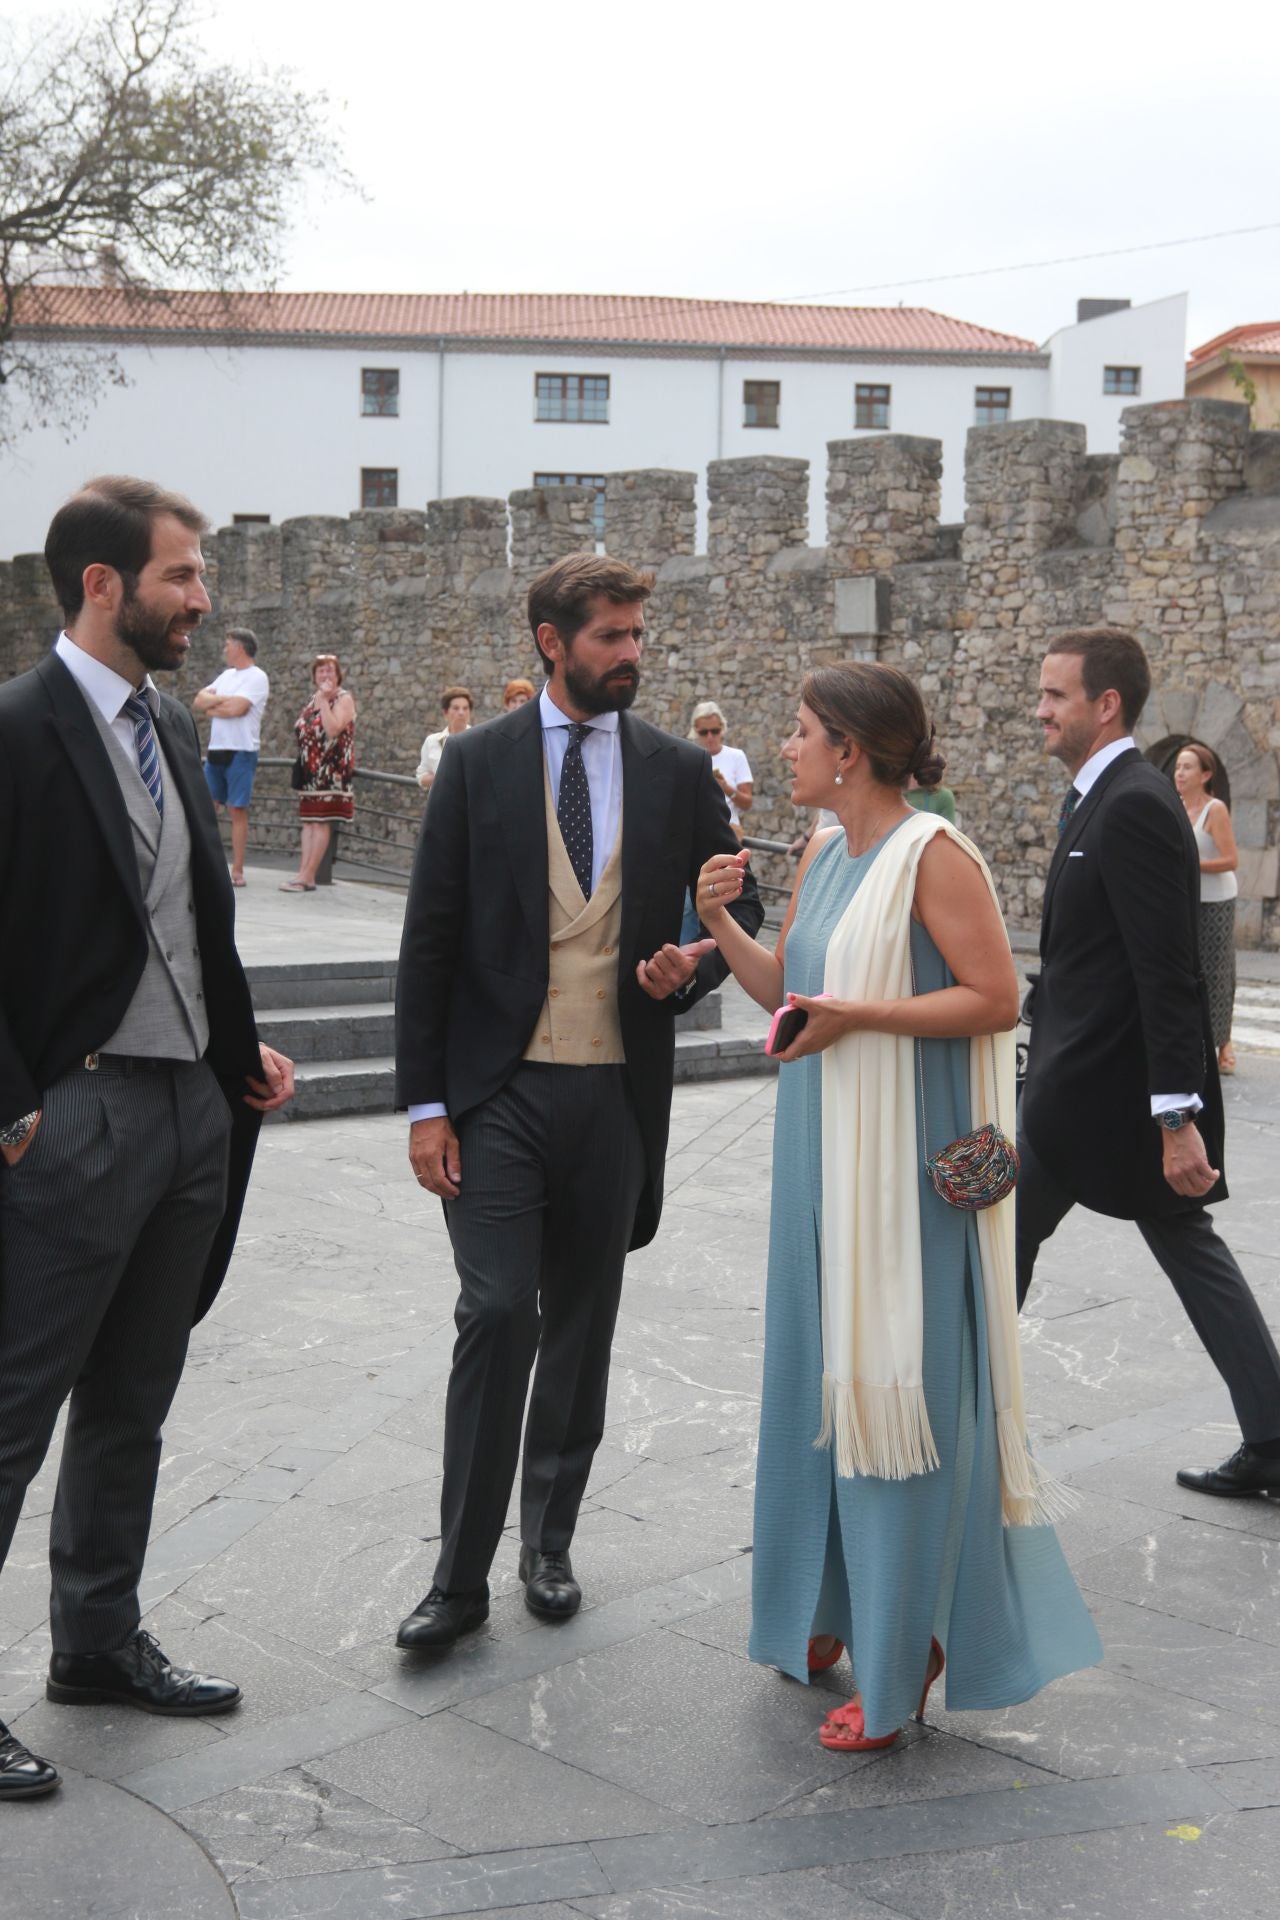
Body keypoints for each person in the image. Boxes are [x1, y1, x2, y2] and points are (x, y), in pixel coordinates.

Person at [695, 660, 1099, 1751]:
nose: (785, 747)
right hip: (816, 1156)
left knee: (895, 1401)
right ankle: (831, 1604)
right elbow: (791, 995)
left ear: (850, 750)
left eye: (800, 731)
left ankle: (904, 1649)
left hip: (900, 1177)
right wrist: (720, 924)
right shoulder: (824, 850)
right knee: (814, 1384)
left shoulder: (935, 853)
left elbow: (995, 997)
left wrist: (860, 1016)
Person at [393, 552, 763, 1651]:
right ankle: (457, 1578)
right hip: (496, 1091)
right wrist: (425, 1107)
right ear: (552, 643)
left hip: (613, 1091)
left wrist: (692, 959)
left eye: (638, 634)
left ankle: (547, 1545)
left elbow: (733, 908)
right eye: (611, 635)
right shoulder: (476, 763)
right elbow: (428, 941)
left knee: (583, 1323)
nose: (632, 654)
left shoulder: (675, 770)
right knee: (498, 1311)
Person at [0, 476, 295, 1802]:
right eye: (180, 574)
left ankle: (96, 1644)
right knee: (12, 1415)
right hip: (74, 1115)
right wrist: (20, 1110)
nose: (200, 597)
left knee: (134, 1400)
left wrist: (235, 1058)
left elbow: (194, 918)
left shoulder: (172, 723)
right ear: (102, 585)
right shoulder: (15, 728)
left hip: (188, 1116)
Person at [1020, 627, 1280, 1497]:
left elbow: (1168, 973)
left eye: (1054, 695)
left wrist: (1177, 1118)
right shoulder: (1103, 795)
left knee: (993, 1236)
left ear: (1106, 705)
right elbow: (1093, 956)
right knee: (1177, 1245)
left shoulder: (1131, 802)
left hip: (1099, 1102)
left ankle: (957, 1424)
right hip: (1082, 1088)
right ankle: (1274, 1435)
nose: (1039, 710)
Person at [1173, 742, 1239, 1075]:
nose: (1180, 773)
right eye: (1177, 767)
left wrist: (1192, 865)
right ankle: (1199, 1040)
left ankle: (1221, 1044)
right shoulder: (1176, 807)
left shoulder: (1215, 810)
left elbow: (1231, 860)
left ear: (1205, 774)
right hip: (1186, 901)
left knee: (1217, 973)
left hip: (1216, 902)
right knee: (1187, 971)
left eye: (1187, 767)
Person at [192, 628, 269, 887]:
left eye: (228, 644)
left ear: (240, 647)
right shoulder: (226, 676)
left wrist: (215, 705)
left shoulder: (257, 677)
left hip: (242, 750)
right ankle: (206, 862)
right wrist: (222, 704)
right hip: (217, 749)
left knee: (237, 809)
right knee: (207, 807)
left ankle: (237, 869)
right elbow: (199, 701)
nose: (224, 649)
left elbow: (238, 708)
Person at [282, 653, 356, 892]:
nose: (325, 675)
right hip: (310, 772)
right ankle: (304, 874)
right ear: (314, 676)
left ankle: (308, 876)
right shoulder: (312, 700)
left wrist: (324, 700)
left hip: (331, 771)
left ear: (338, 676)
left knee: (321, 822)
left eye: (330, 671)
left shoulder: (343, 699)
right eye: (321, 671)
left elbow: (333, 729)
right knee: (309, 822)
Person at [689, 700, 753, 832]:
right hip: (696, 830)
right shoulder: (688, 758)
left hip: (727, 829)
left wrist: (725, 788)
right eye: (704, 732)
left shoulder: (736, 756)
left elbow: (747, 804)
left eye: (715, 731)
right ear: (695, 730)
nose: (710, 737)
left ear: (722, 728)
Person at [416, 686, 473, 790]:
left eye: (465, 708)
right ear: (445, 713)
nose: (461, 713)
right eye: (456, 708)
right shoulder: (432, 741)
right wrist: (443, 777)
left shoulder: (479, 740)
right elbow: (421, 777)